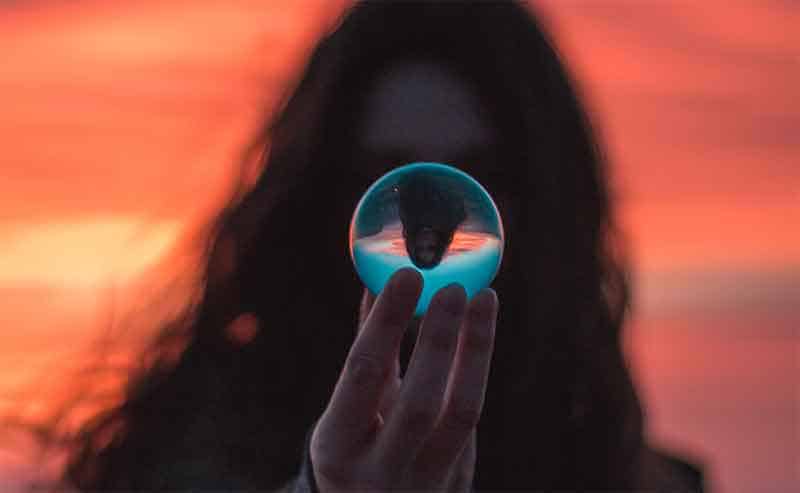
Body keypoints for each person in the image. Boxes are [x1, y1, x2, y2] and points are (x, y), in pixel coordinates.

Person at [59, 1, 705, 491]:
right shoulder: (186, 448)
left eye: (478, 173)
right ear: (318, 196)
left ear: (544, 200)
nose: (432, 227)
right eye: (387, 175)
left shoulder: (634, 474)